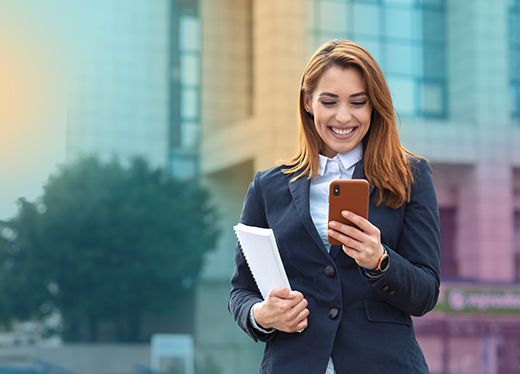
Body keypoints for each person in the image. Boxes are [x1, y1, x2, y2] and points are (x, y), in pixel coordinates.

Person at [229, 39, 440, 374]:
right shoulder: (268, 187)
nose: (344, 116)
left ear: (374, 106)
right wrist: (261, 315)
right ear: (308, 102)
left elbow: (425, 293)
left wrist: (379, 261)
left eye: (358, 102)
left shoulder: (410, 176)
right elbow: (241, 290)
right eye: (329, 102)